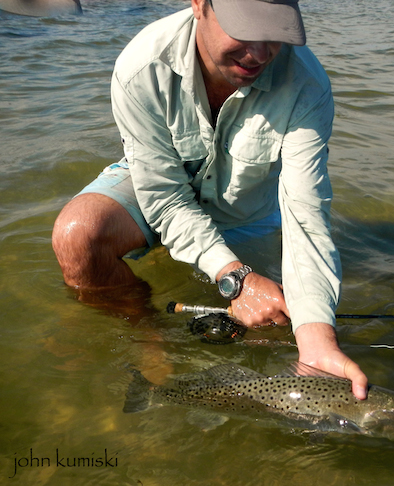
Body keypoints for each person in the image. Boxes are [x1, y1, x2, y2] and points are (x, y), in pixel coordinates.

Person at [52, 0, 367, 399]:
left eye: (276, 35)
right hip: (162, 183)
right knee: (77, 236)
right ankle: (145, 331)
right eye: (246, 30)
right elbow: (164, 197)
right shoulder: (141, 67)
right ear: (199, 3)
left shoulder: (307, 84)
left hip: (245, 210)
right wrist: (237, 277)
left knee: (272, 332)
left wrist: (318, 338)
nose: (259, 54)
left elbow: (306, 214)